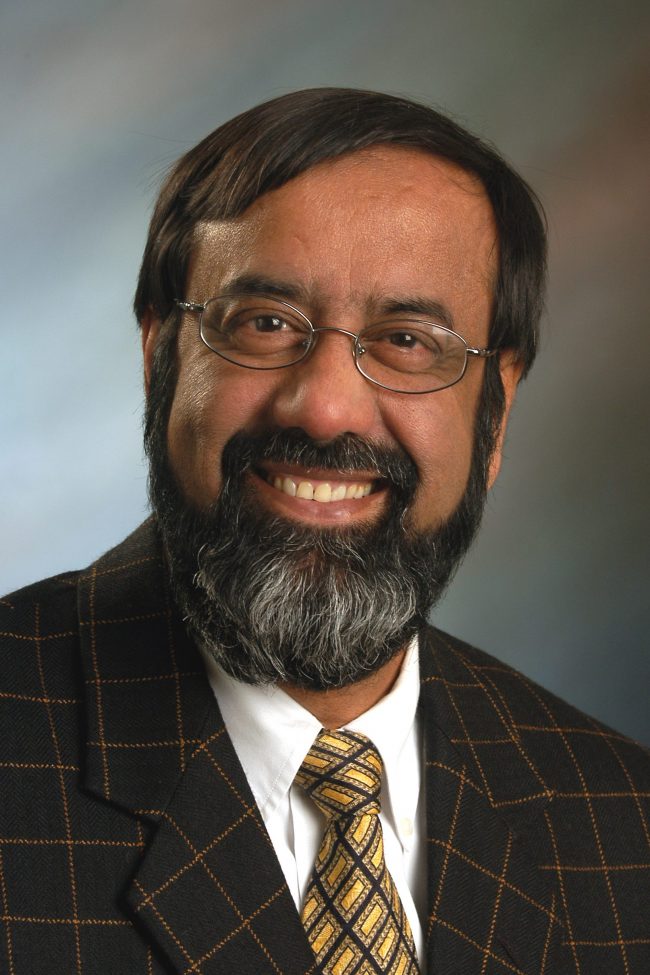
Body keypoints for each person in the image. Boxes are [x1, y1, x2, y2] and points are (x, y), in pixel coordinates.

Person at [1, 88, 648, 975]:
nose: (327, 407)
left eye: (407, 340)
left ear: (495, 413)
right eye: (265, 324)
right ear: (160, 358)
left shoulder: (622, 822)